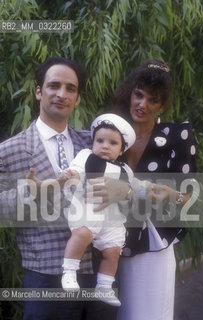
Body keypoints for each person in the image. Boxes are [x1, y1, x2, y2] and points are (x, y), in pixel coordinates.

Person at [0, 57, 131, 320]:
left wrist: (122, 191)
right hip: (46, 277)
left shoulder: (96, 142)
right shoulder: (9, 150)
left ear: (78, 97)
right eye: (53, 86)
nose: (62, 94)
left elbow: (131, 188)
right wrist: (31, 192)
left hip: (98, 272)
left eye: (70, 88)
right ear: (39, 91)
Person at [112, 59, 196, 320]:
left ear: (162, 105)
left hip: (153, 249)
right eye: (139, 95)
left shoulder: (177, 136)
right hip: (110, 248)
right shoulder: (109, 135)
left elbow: (193, 198)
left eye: (153, 100)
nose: (142, 105)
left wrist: (173, 196)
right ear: (130, 92)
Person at [61, 113, 136, 307]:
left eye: (112, 143)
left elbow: (131, 190)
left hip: (112, 215)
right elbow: (75, 172)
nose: (105, 146)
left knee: (113, 250)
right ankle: (69, 272)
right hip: (88, 206)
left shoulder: (125, 170)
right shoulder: (86, 156)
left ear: (121, 150)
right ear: (92, 142)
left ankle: (104, 286)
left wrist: (127, 191)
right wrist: (71, 176)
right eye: (100, 140)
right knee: (83, 233)